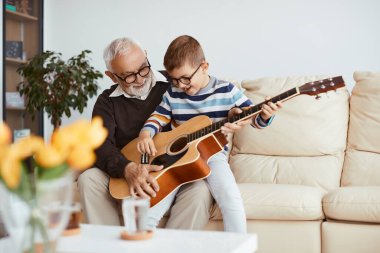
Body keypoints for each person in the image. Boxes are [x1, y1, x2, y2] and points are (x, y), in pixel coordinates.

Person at [137, 35, 283, 233]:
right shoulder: (173, 93)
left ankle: (238, 245)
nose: (181, 85)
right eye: (175, 80)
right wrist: (145, 134)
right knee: (149, 210)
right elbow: (159, 116)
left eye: (186, 78)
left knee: (231, 200)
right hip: (176, 160)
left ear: (204, 67)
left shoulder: (227, 91)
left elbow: (253, 118)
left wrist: (265, 115)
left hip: (212, 156)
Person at [77, 37, 216, 229]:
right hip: (127, 170)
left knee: (200, 190)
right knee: (88, 179)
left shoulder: (176, 81)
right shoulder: (106, 101)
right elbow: (100, 145)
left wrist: (233, 114)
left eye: (143, 68)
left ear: (147, 57)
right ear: (112, 76)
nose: (141, 78)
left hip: (174, 170)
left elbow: (210, 103)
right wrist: (128, 169)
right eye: (129, 76)